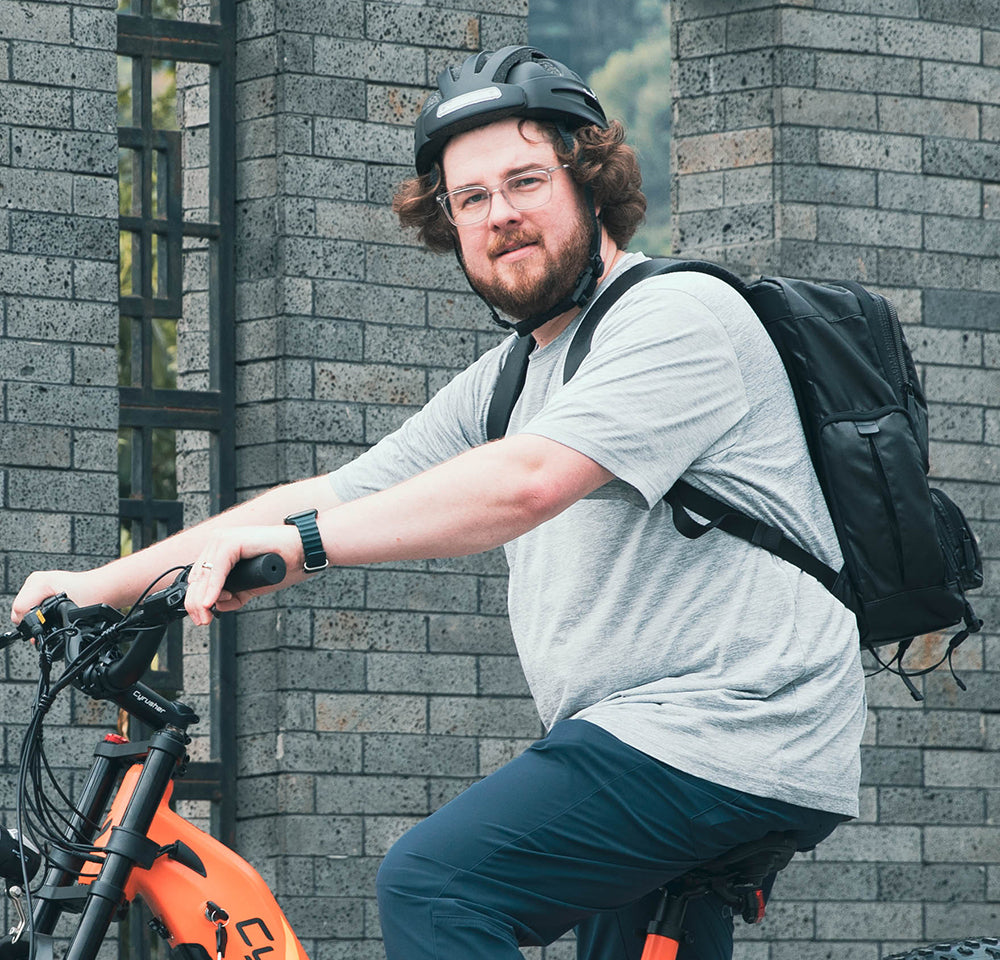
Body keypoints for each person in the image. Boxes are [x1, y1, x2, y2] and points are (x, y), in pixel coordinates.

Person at [11, 46, 866, 959]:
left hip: (729, 721)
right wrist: (100, 584)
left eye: (526, 180)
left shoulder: (675, 316)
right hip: (649, 740)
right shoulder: (513, 375)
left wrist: (303, 548)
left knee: (439, 884)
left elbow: (526, 483)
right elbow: (331, 491)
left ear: (590, 183)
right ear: (448, 223)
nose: (501, 214)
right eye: (471, 199)